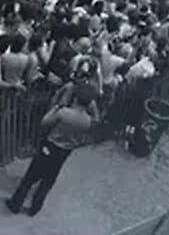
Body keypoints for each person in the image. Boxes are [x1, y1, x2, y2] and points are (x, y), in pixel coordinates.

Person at [6, 82, 99, 217]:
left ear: (76, 97)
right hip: (64, 152)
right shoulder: (88, 121)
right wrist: (93, 105)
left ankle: (15, 204)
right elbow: (96, 119)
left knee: (30, 177)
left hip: (50, 146)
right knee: (48, 181)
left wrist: (56, 107)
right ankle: (35, 208)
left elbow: (44, 122)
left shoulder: (63, 113)